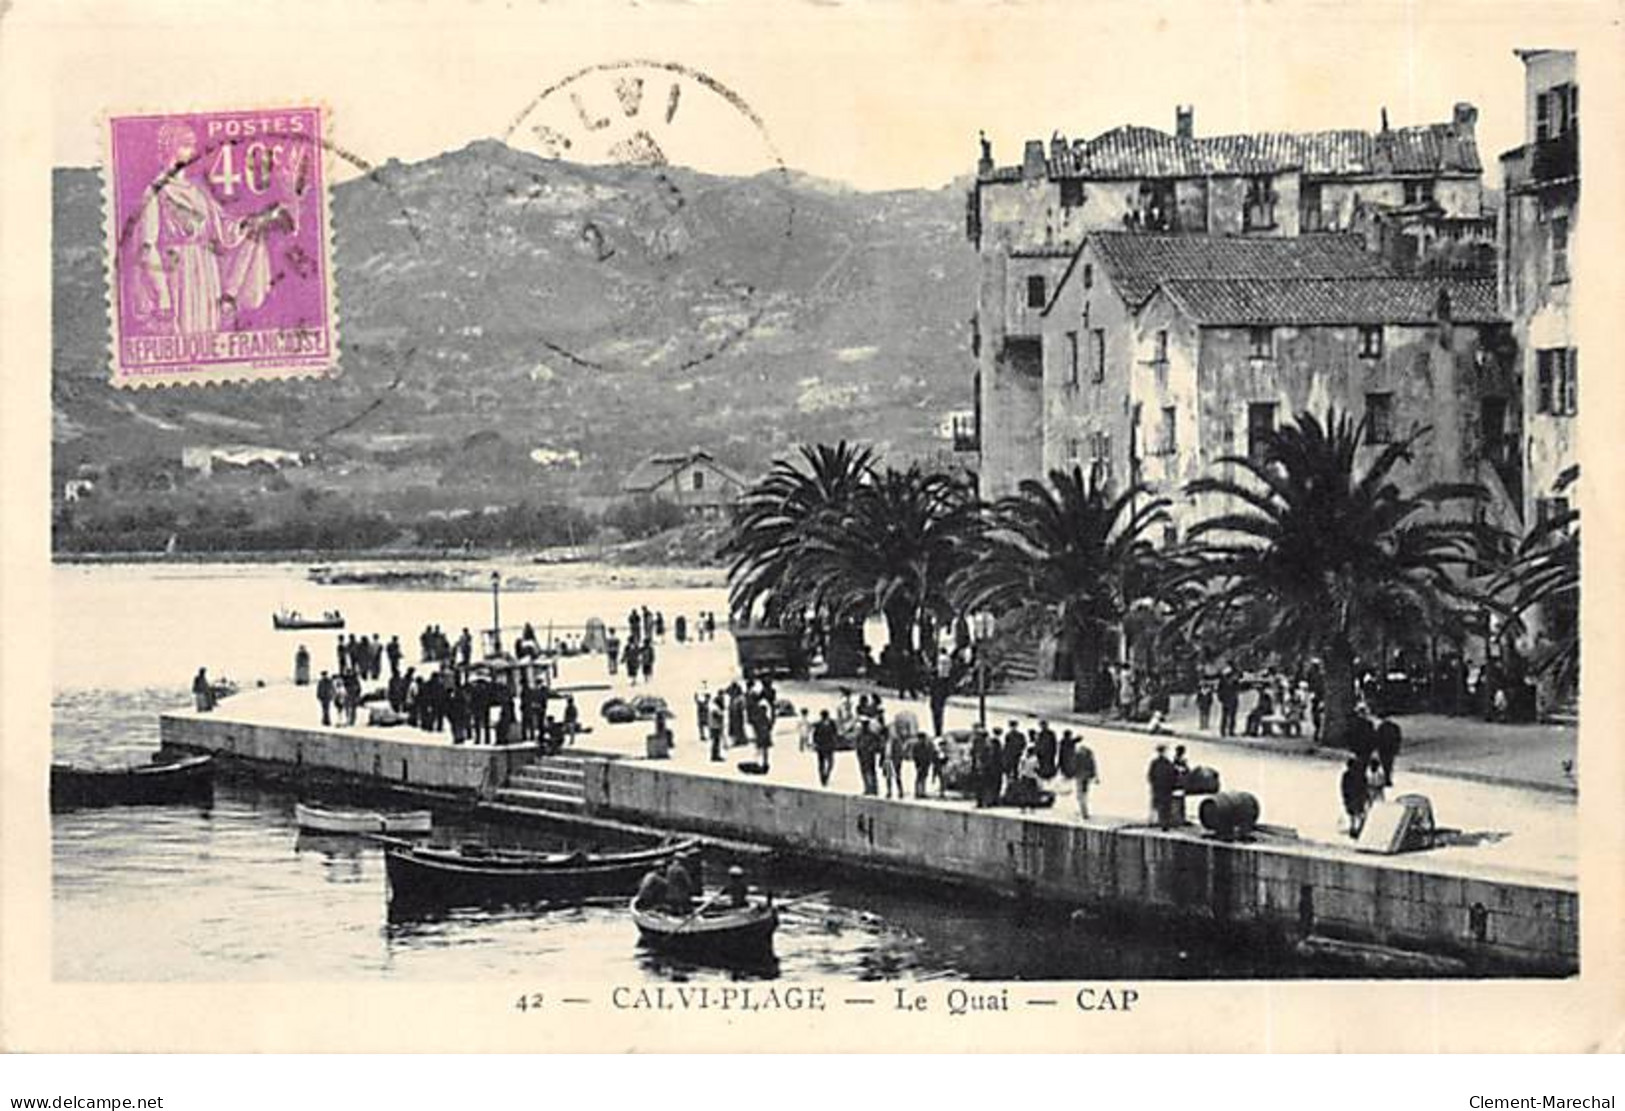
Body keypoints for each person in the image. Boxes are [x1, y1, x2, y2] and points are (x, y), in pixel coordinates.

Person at [1147, 744, 1178, 829]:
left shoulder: (1156, 763)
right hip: (1163, 788)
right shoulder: (1166, 763)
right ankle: (1161, 822)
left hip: (1161, 788)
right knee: (1163, 806)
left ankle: (1159, 822)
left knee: (1159, 805)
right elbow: (1173, 776)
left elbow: (1150, 775)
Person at [1341, 756, 1369, 838]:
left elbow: (1343, 787)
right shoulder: (1360, 774)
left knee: (1354, 815)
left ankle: (1354, 828)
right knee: (1358, 814)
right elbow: (1365, 786)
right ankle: (1357, 828)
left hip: (1352, 797)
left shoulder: (1347, 775)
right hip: (1356, 797)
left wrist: (1345, 797)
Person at [855, 718, 883, 796]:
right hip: (863, 757)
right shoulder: (860, 735)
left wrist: (870, 749)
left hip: (869, 757)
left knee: (870, 772)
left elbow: (876, 744)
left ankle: (873, 788)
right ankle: (868, 787)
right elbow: (857, 745)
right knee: (865, 772)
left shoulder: (872, 735)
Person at [1073, 734, 1098, 819]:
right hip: (1086, 776)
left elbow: (1074, 765)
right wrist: (1094, 775)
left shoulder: (1077, 754)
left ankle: (1083, 812)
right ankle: (1084, 811)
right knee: (1084, 794)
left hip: (1080, 777)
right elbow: (1093, 765)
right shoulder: (1089, 754)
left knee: (1080, 795)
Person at [812, 709, 838, 786]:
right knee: (828, 763)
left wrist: (815, 743)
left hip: (822, 746)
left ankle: (824, 777)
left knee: (823, 763)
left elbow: (815, 735)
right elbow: (835, 734)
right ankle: (824, 776)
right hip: (827, 746)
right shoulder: (830, 723)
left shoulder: (819, 724)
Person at [1374, 717, 1403, 786]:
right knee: (1389, 764)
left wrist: (1377, 747)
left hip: (1383, 749)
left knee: (1385, 764)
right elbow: (1398, 739)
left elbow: (1377, 738)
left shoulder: (1381, 727)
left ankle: (1386, 777)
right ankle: (1388, 778)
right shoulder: (1395, 727)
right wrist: (1397, 748)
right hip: (1390, 749)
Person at [1218, 666, 1240, 737]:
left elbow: (1238, 689)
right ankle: (1223, 731)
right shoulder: (1223, 682)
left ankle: (1231, 730)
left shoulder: (1235, 682)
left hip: (1233, 700)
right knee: (1225, 716)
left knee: (1232, 716)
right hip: (1227, 700)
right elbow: (1220, 691)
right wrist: (1222, 699)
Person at [709, 693, 726, 762]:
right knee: (716, 742)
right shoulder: (715, 709)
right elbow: (717, 716)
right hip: (715, 727)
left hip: (715, 726)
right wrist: (721, 715)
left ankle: (715, 755)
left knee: (716, 742)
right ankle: (715, 756)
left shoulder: (715, 708)